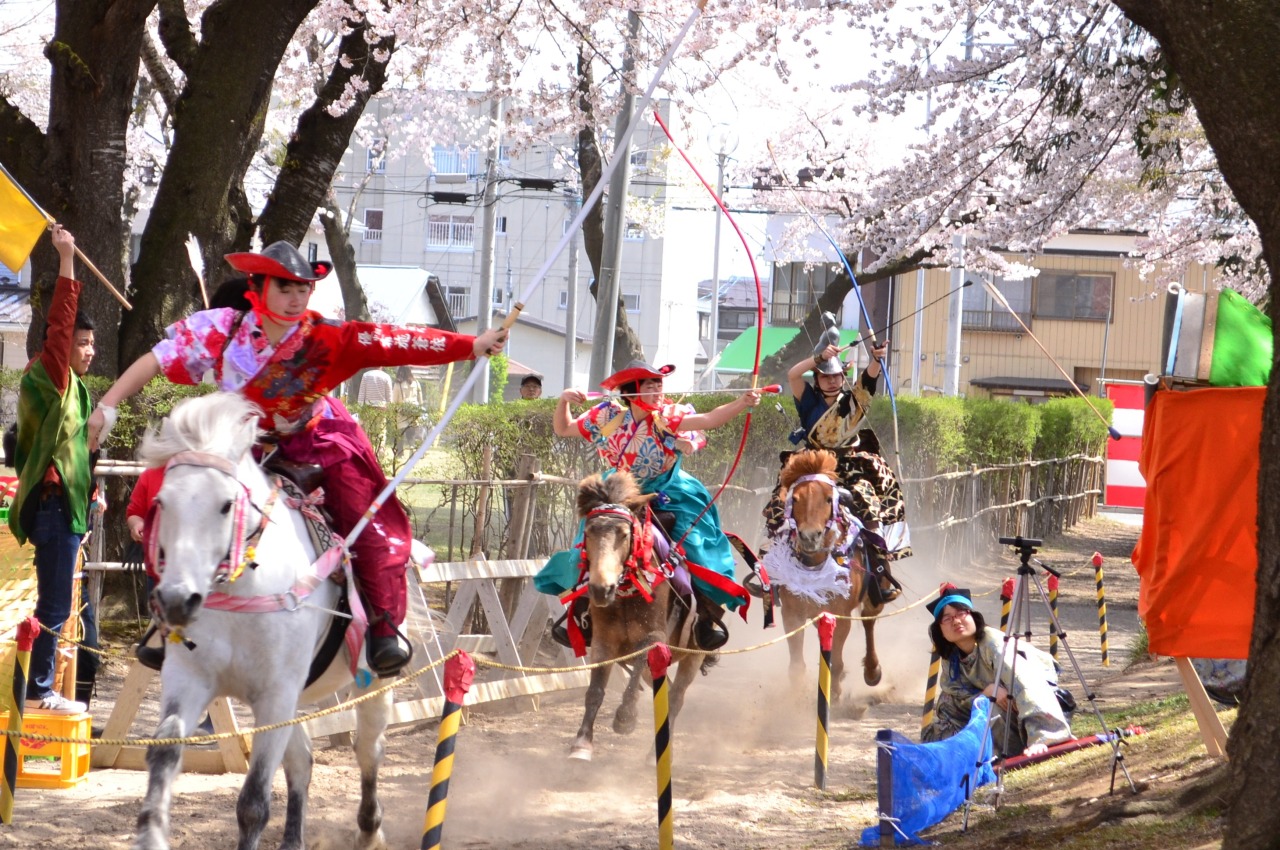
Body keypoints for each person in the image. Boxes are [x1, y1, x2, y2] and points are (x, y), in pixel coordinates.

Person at [87, 240, 507, 677]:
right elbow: (156, 359)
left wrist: (472, 344)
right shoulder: (221, 329)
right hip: (239, 443)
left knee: (367, 520)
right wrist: (109, 405)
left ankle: (383, 625)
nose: (295, 298)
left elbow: (395, 341)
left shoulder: (326, 335)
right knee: (179, 510)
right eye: (284, 288)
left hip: (316, 439)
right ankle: (167, 621)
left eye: (303, 289)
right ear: (258, 286)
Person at [537, 360, 759, 651]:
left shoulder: (667, 415)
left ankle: (706, 617)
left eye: (659, 385)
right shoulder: (607, 415)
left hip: (670, 491)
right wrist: (564, 400)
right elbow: (564, 428)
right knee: (588, 544)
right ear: (630, 393)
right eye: (650, 385)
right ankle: (580, 613)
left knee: (697, 545)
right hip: (617, 493)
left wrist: (742, 402)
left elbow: (709, 420)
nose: (658, 390)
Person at [10, 225, 95, 714]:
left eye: (90, 344)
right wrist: (66, 256)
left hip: (63, 505)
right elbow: (60, 324)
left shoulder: (71, 389)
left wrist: (93, 494)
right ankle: (41, 690)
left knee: (57, 607)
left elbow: (75, 453)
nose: (86, 350)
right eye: (80, 343)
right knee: (55, 608)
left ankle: (41, 687)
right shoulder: (51, 373)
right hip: (54, 508)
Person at [763, 338, 909, 605]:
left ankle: (880, 569)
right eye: (825, 376)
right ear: (817, 379)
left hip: (850, 466)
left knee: (868, 502)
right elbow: (793, 374)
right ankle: (771, 565)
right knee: (778, 503)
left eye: (837, 375)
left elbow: (868, 381)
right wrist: (818, 358)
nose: (831, 381)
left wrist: (876, 359)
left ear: (843, 376)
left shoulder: (853, 400)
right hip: (812, 463)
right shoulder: (807, 399)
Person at [922, 584, 1073, 758]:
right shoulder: (952, 656)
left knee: (990, 705)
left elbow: (1026, 682)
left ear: (973, 616)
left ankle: (1041, 739)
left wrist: (1043, 737)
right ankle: (959, 752)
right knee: (948, 703)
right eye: (947, 619)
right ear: (940, 630)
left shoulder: (994, 643)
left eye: (961, 614)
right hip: (998, 700)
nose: (956, 621)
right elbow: (954, 691)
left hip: (1041, 701)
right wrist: (984, 691)